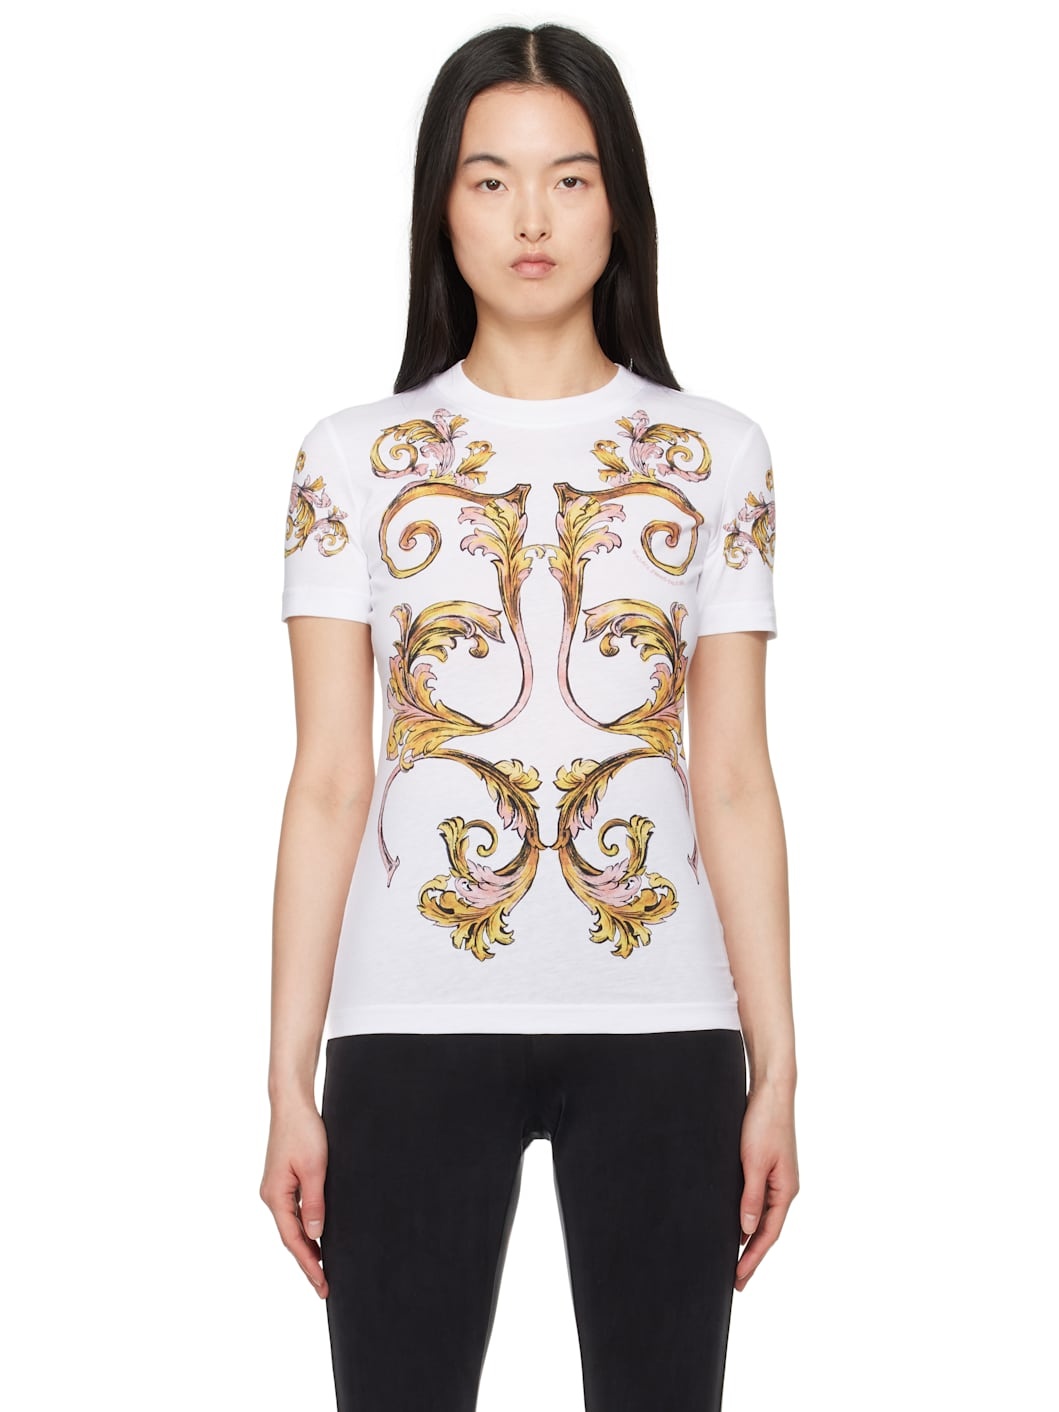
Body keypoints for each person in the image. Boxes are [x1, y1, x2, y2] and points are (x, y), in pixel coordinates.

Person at [260, 21, 798, 1412]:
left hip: (666, 1023)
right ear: (442, 207)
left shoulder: (717, 455)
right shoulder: (353, 459)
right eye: (490, 179)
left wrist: (779, 1067)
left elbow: (733, 776)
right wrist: (286, 1081)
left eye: (570, 177)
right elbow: (330, 780)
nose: (532, 218)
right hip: (407, 1022)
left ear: (622, 202)